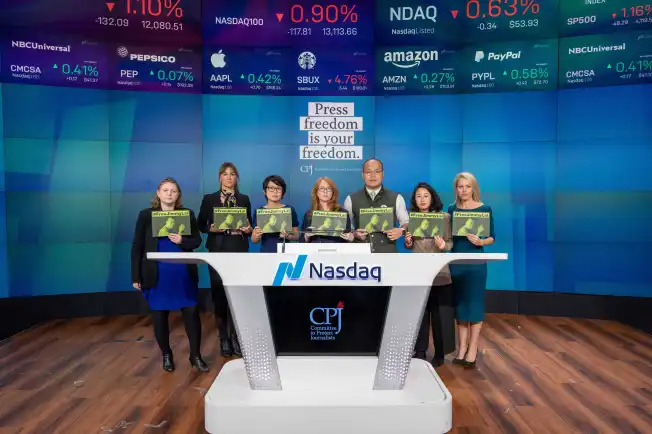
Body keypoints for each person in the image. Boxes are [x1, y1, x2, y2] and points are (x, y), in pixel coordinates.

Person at [131, 177, 209, 373]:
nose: (169, 194)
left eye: (173, 191)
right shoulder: (145, 215)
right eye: (165, 190)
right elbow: (137, 246)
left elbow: (196, 242)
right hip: (156, 274)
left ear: (178, 195)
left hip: (182, 273)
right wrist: (135, 276)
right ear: (158, 193)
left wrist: (182, 239)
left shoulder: (187, 214)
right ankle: (166, 354)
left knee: (191, 313)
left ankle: (195, 355)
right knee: (159, 315)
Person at [198, 162, 252, 358]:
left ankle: (237, 338)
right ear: (220, 177)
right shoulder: (209, 199)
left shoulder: (244, 199)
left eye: (233, 174)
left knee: (237, 295)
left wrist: (248, 229)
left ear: (236, 178)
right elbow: (200, 224)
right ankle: (224, 339)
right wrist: (211, 228)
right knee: (219, 295)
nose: (229, 177)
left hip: (238, 250)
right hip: (218, 250)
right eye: (225, 174)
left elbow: (250, 226)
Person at [404, 182, 455, 367]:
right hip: (417, 271)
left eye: (426, 195)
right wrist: (408, 241)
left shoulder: (444, 217)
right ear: (414, 200)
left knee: (440, 312)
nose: (422, 199)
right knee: (420, 312)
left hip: (440, 271)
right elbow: (409, 246)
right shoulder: (412, 219)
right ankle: (420, 350)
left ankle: (440, 353)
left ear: (432, 197)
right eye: (418, 196)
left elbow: (450, 243)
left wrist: (444, 246)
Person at [447, 172, 495, 368]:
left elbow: (492, 237)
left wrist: (480, 241)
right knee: (459, 305)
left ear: (473, 188)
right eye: (460, 186)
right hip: (456, 263)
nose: (464, 190)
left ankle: (473, 349)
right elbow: (448, 237)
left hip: (476, 264)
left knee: (474, 304)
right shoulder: (451, 210)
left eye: (467, 186)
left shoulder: (485, 209)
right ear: (456, 189)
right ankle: (461, 348)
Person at [343, 158, 409, 253]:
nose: (373, 176)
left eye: (377, 172)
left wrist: (401, 231)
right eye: (368, 172)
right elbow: (345, 228)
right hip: (360, 255)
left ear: (383, 174)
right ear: (363, 175)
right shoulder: (351, 199)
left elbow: (406, 223)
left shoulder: (397, 198)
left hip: (388, 255)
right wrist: (354, 233)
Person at [252, 175, 300, 252]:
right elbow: (254, 241)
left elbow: (297, 235)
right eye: (271, 188)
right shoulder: (259, 211)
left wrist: (288, 236)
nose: (275, 191)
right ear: (264, 191)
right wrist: (256, 235)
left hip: (286, 252)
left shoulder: (290, 210)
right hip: (266, 252)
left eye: (278, 188)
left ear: (283, 192)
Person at [302, 177, 354, 243]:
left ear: (333, 192)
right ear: (316, 192)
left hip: (337, 251)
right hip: (315, 251)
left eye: (329, 189)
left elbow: (347, 239)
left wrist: (350, 237)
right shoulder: (309, 214)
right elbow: (302, 240)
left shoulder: (343, 213)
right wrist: (306, 236)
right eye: (321, 188)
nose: (325, 191)